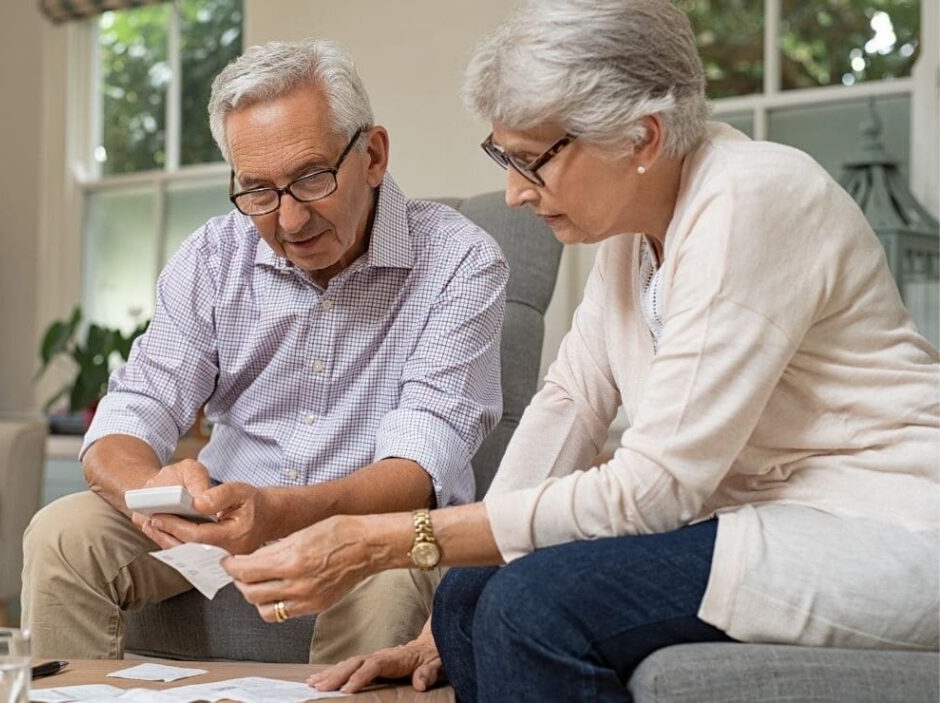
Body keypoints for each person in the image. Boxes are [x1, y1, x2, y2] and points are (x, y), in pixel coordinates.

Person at [221, 1, 940, 700]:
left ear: (644, 138)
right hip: (763, 521)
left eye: (532, 160)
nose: (513, 192)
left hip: (879, 528)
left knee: (534, 607)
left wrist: (385, 540)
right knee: (471, 594)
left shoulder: (755, 198)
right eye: (505, 157)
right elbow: (568, 403)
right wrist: (444, 613)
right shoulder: (634, 239)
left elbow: (655, 488)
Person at [20, 39, 509, 664]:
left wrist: (278, 514)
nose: (290, 220)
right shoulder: (212, 256)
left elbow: (418, 468)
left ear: (374, 155)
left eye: (311, 178)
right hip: (221, 519)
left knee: (393, 571)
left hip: (373, 529)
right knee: (63, 535)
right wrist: (154, 490)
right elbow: (136, 406)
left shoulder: (460, 261)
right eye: (257, 190)